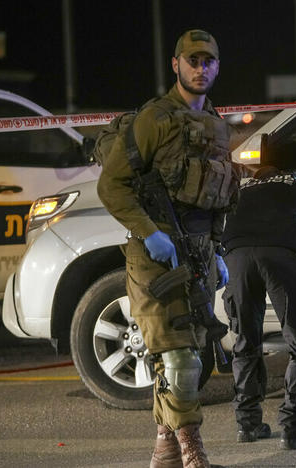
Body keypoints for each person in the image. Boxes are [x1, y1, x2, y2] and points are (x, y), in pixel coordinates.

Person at [98, 29, 238, 468]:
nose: (201, 68)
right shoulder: (154, 120)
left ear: (217, 66)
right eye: (192, 60)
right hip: (156, 255)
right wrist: (147, 232)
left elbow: (218, 194)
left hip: (197, 253)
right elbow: (111, 185)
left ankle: (165, 447)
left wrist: (216, 248)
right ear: (175, 65)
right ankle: (193, 453)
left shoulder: (215, 122)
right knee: (177, 359)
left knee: (194, 355)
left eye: (208, 61)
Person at [220, 165, 296, 450]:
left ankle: (248, 424)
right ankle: (294, 428)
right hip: (282, 256)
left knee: (245, 341)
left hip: (237, 258)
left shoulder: (240, 189)